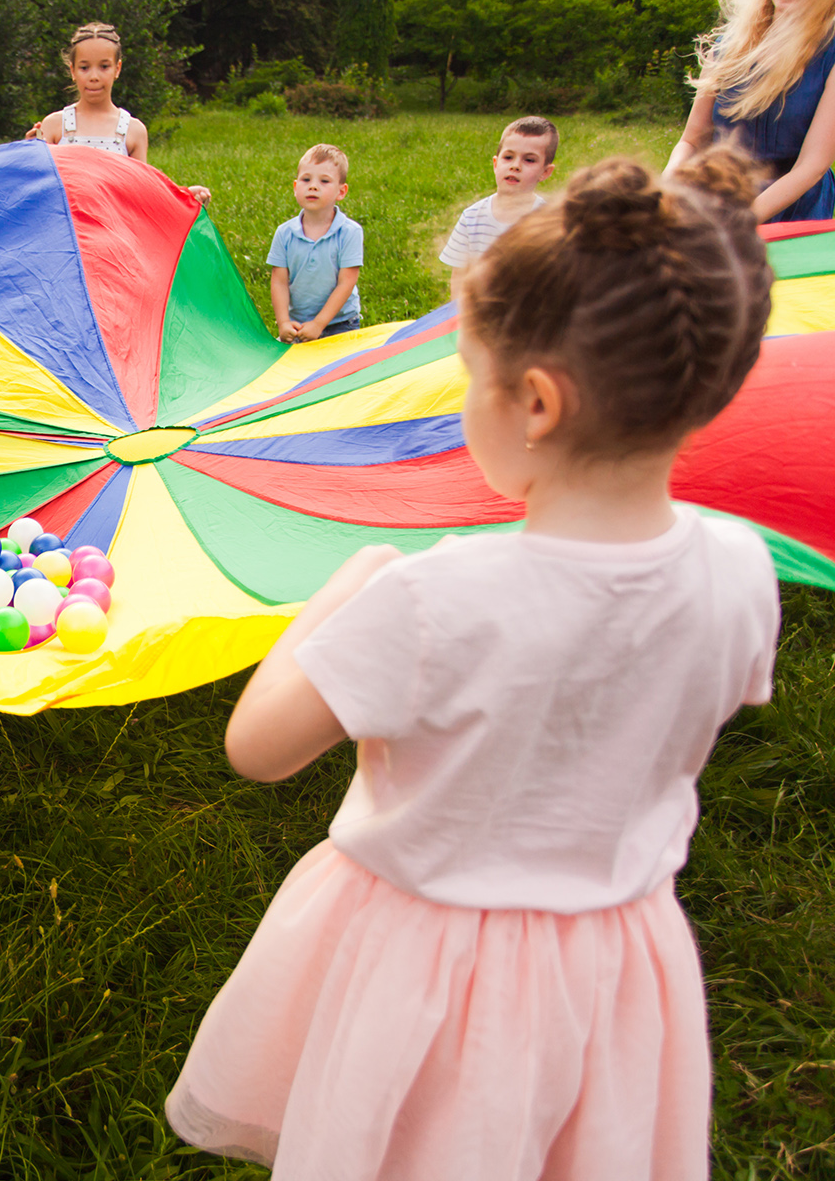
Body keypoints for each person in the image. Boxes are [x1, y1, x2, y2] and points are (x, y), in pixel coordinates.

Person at [167, 149, 779, 1180]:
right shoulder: (740, 570)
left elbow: (257, 748)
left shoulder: (426, 596)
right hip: (617, 964)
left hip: (429, 976)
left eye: (468, 378)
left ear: (533, 404)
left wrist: (341, 593)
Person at [668, 0, 835, 223]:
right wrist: (664, 194)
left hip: (794, 216)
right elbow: (692, 141)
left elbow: (812, 167)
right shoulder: (727, 46)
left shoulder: (831, 55)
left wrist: (738, 223)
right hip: (715, 204)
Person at [25, 23, 212, 205]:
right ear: (73, 70)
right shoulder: (55, 125)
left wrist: (184, 197)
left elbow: (144, 191)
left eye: (104, 66)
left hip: (115, 230)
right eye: (84, 68)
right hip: (69, 232)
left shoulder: (133, 130)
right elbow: (37, 187)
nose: (94, 76)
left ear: (118, 68)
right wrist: (28, 153)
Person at [439, 116, 559, 296]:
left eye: (529, 160)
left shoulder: (549, 219)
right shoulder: (472, 217)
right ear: (496, 164)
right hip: (480, 311)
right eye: (508, 157)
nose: (515, 166)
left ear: (545, 172)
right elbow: (459, 277)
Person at [267, 143, 363, 342]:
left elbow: (347, 282)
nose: (313, 186)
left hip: (341, 323)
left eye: (325, 181)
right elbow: (279, 281)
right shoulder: (285, 233)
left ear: (341, 191)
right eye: (306, 179)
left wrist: (319, 324)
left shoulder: (350, 232)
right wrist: (284, 322)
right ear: (295, 188)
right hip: (298, 324)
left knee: (339, 372)